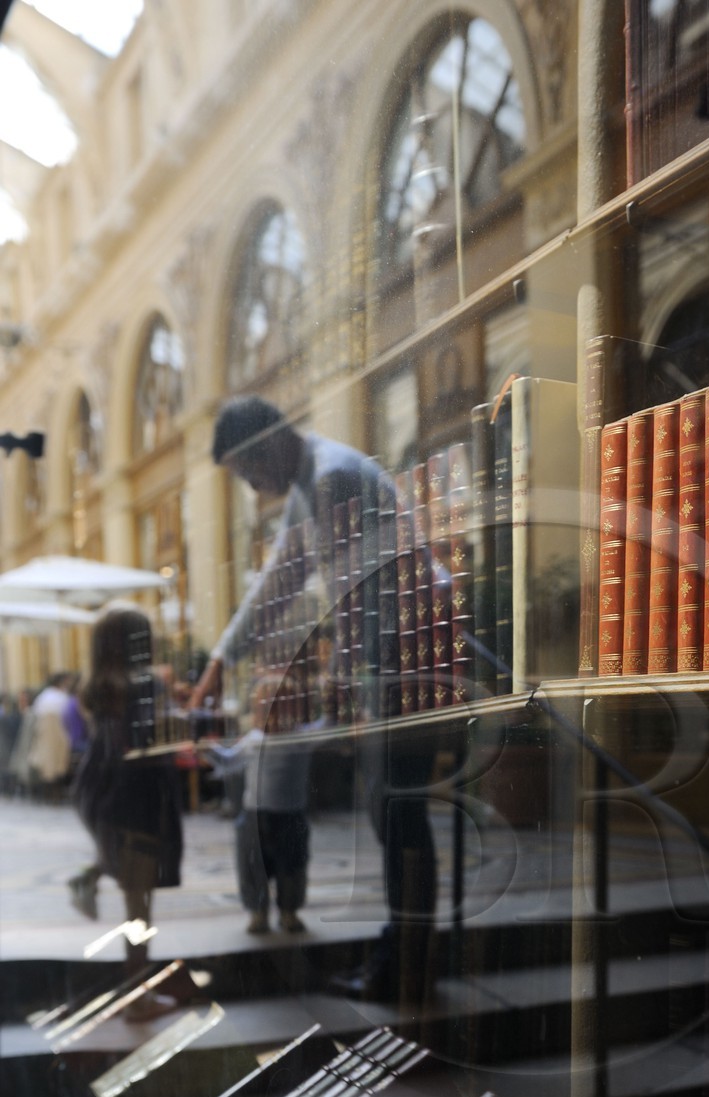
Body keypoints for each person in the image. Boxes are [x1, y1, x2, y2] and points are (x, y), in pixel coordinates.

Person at [190, 396, 437, 1000]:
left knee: (398, 818)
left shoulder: (331, 478)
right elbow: (280, 580)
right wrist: (222, 658)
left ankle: (405, 968)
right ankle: (404, 961)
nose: (251, 488)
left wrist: (344, 690)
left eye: (247, 472)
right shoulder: (312, 482)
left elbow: (351, 597)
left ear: (266, 446)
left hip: (403, 665)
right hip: (395, 664)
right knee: (394, 818)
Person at [70, 604, 183, 1007]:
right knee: (139, 906)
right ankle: (137, 996)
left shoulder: (99, 688)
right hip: (138, 805)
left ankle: (92, 870)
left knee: (134, 894)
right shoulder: (142, 686)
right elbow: (154, 742)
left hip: (106, 801)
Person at [202, 672, 312, 935]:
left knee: (292, 866)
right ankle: (258, 912)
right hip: (255, 816)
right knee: (253, 868)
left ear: (294, 710)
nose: (270, 716)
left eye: (280, 707)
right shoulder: (253, 741)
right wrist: (207, 749)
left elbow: (330, 731)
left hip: (291, 814)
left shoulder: (302, 738)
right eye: (264, 709)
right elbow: (228, 761)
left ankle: (289, 911)